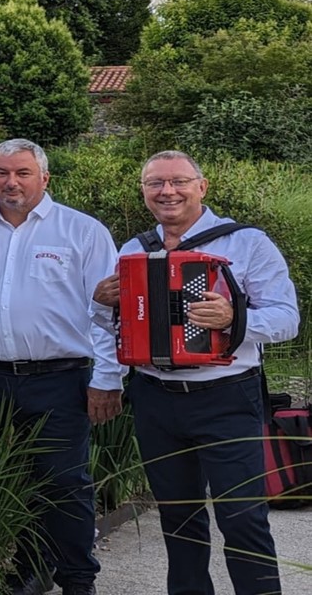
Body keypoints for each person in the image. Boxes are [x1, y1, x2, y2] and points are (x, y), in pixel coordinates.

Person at [93, 151, 299, 595]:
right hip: (154, 397)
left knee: (243, 517)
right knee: (178, 518)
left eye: (178, 182)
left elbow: (287, 319)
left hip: (227, 397)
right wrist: (101, 305)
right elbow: (115, 330)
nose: (167, 191)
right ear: (145, 192)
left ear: (201, 187)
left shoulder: (246, 243)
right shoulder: (134, 249)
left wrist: (233, 318)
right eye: (155, 184)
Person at [0, 139, 121, 595]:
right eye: (1, 173)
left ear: (45, 178)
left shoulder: (83, 232)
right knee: (10, 479)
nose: (11, 182)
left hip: (61, 378)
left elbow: (112, 313)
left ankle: (78, 578)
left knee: (64, 483)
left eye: (22, 173)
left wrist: (108, 379)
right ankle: (32, 568)